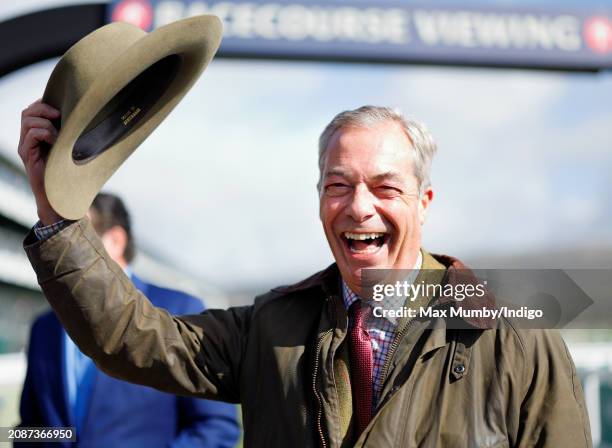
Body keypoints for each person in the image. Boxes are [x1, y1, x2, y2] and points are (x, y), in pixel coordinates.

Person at [19, 100, 592, 447]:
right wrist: (56, 212)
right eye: (338, 185)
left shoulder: (516, 337)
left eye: (386, 187)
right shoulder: (272, 325)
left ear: (424, 203)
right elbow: (133, 340)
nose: (359, 207)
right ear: (319, 198)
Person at [17, 191, 240, 447]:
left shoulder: (180, 309)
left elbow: (215, 427)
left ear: (115, 240)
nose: (61, 251)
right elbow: (30, 427)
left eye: (75, 238)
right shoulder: (43, 327)